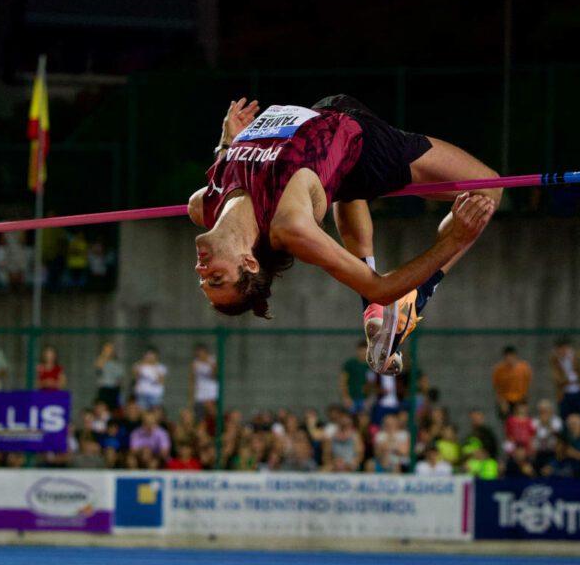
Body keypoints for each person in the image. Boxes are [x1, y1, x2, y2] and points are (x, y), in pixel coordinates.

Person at [189, 95, 500, 374]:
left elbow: (227, 173)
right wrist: (455, 241)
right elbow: (381, 287)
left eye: (203, 280)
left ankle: (374, 313)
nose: (201, 271)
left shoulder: (204, 205)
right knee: (490, 187)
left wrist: (228, 143)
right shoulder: (289, 224)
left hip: (326, 118)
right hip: (366, 149)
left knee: (343, 190)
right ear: (249, 262)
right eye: (216, 279)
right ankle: (415, 299)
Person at [491, 346, 533, 419]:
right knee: (507, 419)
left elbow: (527, 384)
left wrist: (524, 401)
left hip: (520, 399)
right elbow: (497, 387)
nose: (509, 359)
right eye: (507, 357)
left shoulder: (524, 367)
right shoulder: (499, 370)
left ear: (515, 356)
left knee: (521, 420)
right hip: (506, 400)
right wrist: (501, 401)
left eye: (511, 356)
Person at [551, 338, 580, 420]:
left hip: (579, 392)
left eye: (565, 348)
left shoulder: (578, 357)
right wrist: (568, 380)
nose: (563, 351)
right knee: (565, 417)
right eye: (560, 349)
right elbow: (558, 379)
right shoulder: (555, 361)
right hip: (565, 393)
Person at [339, 339, 374, 413]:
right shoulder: (350, 364)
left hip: (364, 399)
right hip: (352, 398)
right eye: (362, 350)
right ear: (358, 350)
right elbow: (343, 381)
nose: (363, 353)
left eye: (366, 350)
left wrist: (369, 399)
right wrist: (346, 397)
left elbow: (372, 383)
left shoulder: (371, 366)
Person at [190, 343, 218, 420]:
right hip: (200, 395)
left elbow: (215, 376)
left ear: (206, 352)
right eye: (198, 353)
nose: (200, 355)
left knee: (213, 415)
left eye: (201, 353)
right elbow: (192, 380)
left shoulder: (213, 361)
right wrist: (192, 397)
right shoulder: (195, 363)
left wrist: (209, 364)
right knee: (199, 417)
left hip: (211, 393)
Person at [94, 342, 124, 410]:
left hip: (114, 389)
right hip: (104, 389)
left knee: (114, 408)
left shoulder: (117, 362)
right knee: (102, 408)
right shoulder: (100, 360)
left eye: (110, 349)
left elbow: (120, 376)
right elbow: (99, 366)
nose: (109, 351)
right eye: (107, 349)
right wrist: (104, 355)